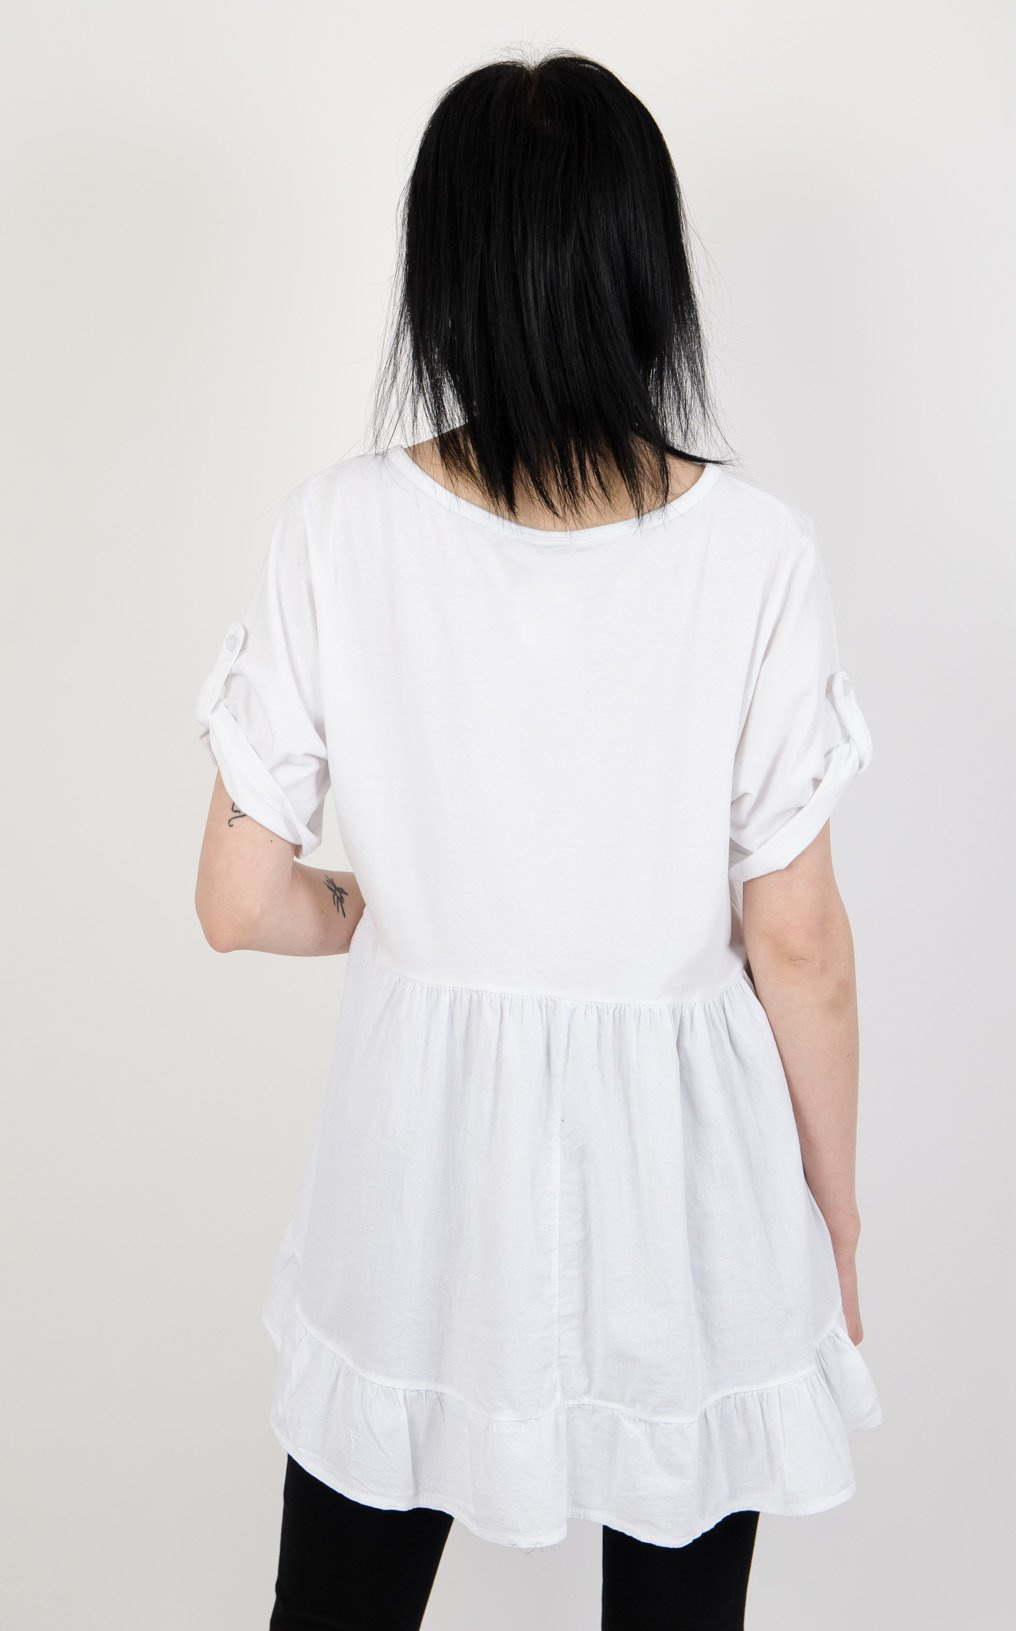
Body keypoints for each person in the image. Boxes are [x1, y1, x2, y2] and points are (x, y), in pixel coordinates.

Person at [193, 48, 883, 1631]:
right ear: (648, 270)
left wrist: (364, 906)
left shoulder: (338, 527)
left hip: (414, 1174)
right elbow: (799, 944)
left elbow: (236, 898)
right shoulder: (756, 554)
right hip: (692, 1178)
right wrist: (833, 1207)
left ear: (443, 276)